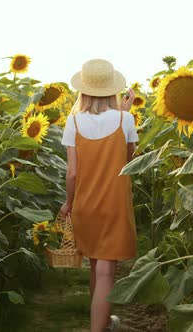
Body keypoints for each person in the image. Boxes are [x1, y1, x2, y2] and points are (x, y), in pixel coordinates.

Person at [60, 59, 138, 332]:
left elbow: (72, 173)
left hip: (85, 205)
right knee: (106, 272)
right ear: (112, 91)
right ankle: (99, 329)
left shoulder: (74, 122)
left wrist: (68, 203)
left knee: (95, 267)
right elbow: (129, 160)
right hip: (114, 205)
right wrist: (123, 113)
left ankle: (102, 323)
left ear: (84, 90)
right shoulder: (125, 118)